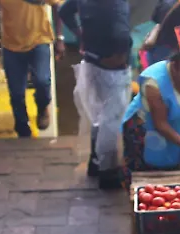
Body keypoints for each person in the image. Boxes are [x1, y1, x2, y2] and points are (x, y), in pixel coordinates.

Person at [60, 0, 131, 189]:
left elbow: (64, 11)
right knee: (111, 119)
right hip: (112, 63)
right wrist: (121, 55)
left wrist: (80, 34)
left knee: (98, 114)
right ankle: (107, 172)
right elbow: (121, 30)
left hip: (91, 59)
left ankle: (95, 162)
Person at [0, 0, 65, 137]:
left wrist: (60, 38)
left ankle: (42, 107)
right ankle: (22, 129)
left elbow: (56, 6)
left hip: (39, 40)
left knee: (42, 81)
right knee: (16, 93)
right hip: (11, 46)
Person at [121, 52, 180, 174]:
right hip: (146, 129)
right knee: (148, 176)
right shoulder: (154, 82)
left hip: (176, 126)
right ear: (174, 67)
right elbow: (160, 124)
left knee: (174, 171)